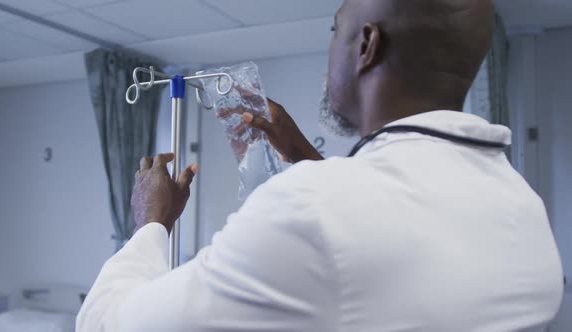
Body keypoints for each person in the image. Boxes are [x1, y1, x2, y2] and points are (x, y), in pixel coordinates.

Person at [77, 0, 564, 331]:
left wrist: (150, 224)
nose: (331, 49)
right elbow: (389, 245)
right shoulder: (524, 208)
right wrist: (306, 160)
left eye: (336, 32)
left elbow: (113, 322)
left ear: (366, 45)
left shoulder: (311, 208)